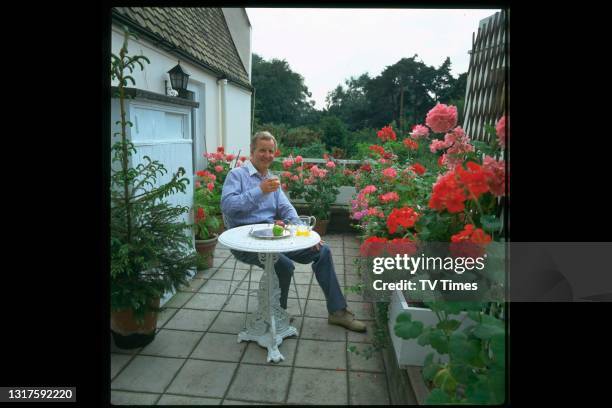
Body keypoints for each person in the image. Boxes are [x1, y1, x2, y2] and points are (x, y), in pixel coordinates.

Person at [220, 131, 366, 332]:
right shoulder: (236, 175)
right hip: (245, 243)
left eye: (271, 151)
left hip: (275, 238)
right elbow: (228, 206)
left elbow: (287, 209)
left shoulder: (272, 179)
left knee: (322, 251)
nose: (267, 155)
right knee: (284, 265)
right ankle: (278, 313)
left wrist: (305, 234)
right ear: (252, 151)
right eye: (262, 150)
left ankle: (338, 312)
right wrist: (259, 190)